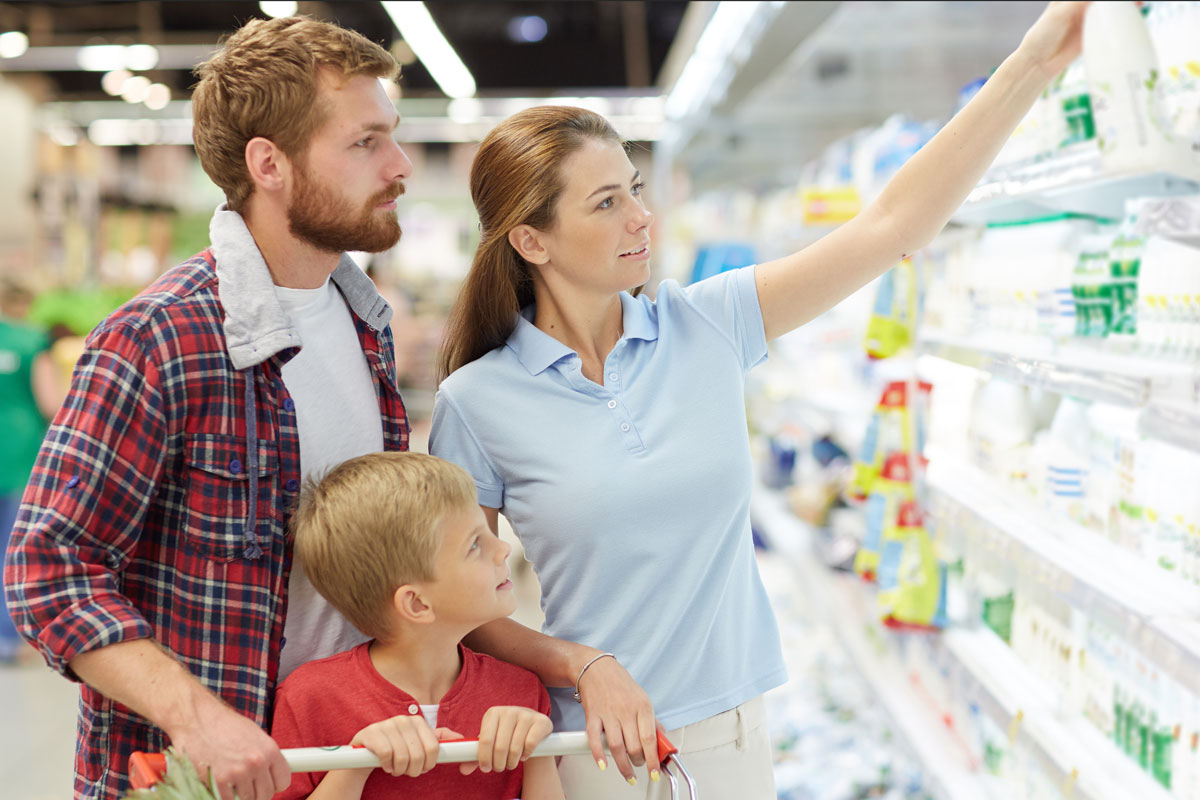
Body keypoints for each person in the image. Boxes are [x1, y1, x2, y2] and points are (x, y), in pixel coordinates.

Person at [428, 2, 1090, 797]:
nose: (643, 217)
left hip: (734, 737)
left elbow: (891, 223)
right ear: (531, 241)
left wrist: (1034, 61)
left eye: (635, 189)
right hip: (589, 747)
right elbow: (456, 610)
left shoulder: (706, 323)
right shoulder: (477, 401)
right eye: (606, 203)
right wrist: (582, 663)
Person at [4, 16, 414, 800]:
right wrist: (197, 716)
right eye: (365, 143)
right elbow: (48, 567)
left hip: (340, 768)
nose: (398, 165)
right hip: (200, 779)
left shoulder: (367, 328)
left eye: (391, 136)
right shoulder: (159, 338)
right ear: (270, 164)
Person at [273, 451, 564, 799]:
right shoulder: (309, 698)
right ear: (417, 603)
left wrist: (537, 751)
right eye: (475, 544)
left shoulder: (521, 693)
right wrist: (355, 765)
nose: (502, 548)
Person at [0, 278, 57, 664]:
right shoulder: (31, 341)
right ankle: (5, 638)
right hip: (20, 458)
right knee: (10, 549)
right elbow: (52, 402)